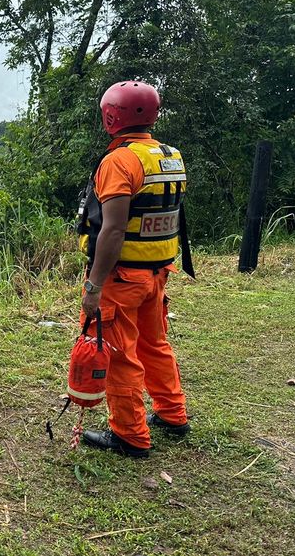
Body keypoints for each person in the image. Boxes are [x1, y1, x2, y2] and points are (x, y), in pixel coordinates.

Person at [76, 80, 195, 458]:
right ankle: (173, 414)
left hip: (121, 277)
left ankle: (129, 434)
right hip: (157, 272)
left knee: (119, 353)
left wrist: (94, 286)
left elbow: (111, 229)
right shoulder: (170, 156)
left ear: (111, 116)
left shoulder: (119, 161)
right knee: (154, 345)